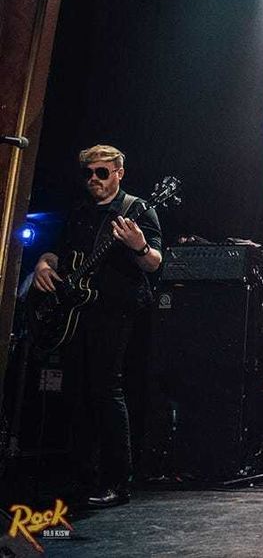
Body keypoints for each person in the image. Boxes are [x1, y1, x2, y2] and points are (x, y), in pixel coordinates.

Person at [32, 145, 163, 508]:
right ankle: (81, 477)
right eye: (88, 173)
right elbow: (56, 253)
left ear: (119, 173)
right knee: (77, 391)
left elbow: (155, 262)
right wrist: (43, 265)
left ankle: (117, 481)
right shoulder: (80, 211)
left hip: (114, 310)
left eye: (102, 173)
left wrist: (139, 246)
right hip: (75, 311)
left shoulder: (137, 209)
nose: (94, 179)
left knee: (106, 390)